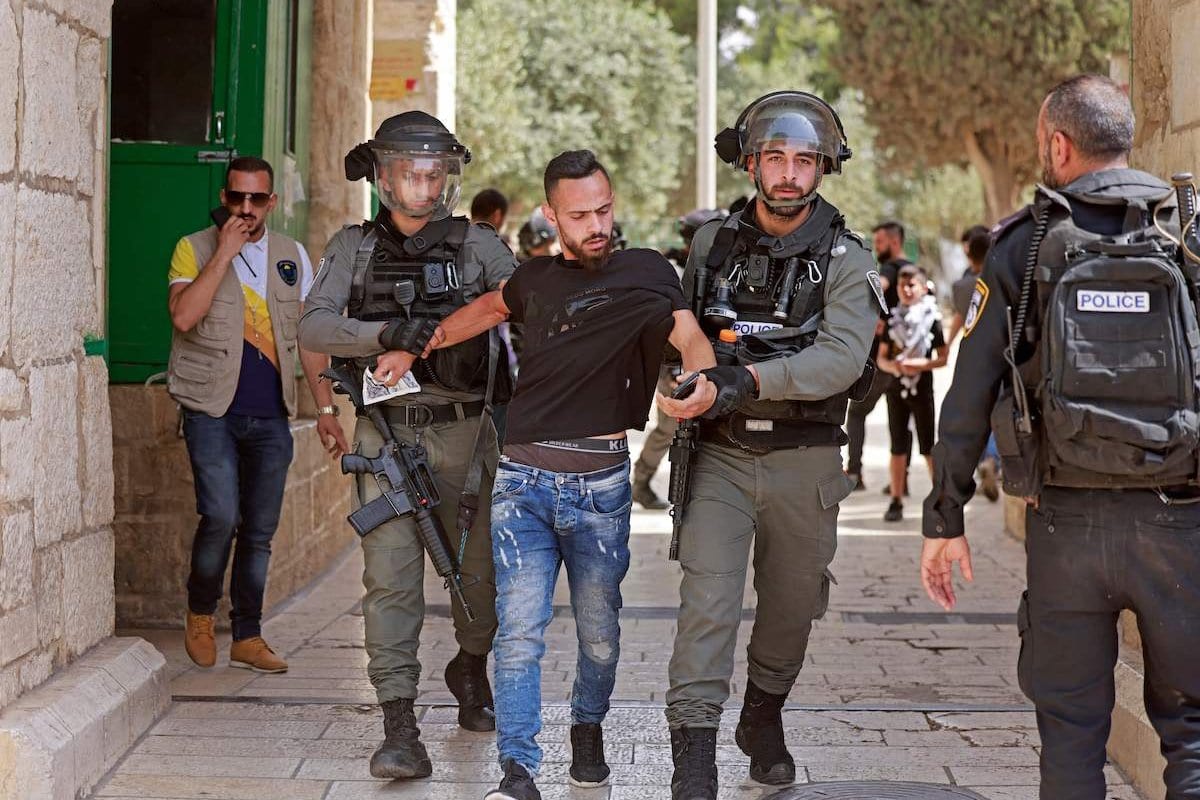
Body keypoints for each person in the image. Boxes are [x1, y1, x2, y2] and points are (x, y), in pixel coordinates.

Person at [378, 149, 716, 800]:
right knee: (521, 632)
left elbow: (688, 334)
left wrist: (700, 375)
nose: (596, 225)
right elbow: (477, 314)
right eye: (580, 214)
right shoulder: (534, 281)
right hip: (523, 484)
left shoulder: (647, 271)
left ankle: (587, 727)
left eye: (604, 210)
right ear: (551, 215)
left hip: (600, 488)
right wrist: (412, 346)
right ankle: (519, 772)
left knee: (599, 641)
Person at [922, 74, 1200, 799]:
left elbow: (969, 389)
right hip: (1180, 520)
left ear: (1058, 143)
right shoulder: (1184, 236)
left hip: (1066, 524)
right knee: (1194, 736)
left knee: (1072, 734)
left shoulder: (1024, 244)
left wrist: (944, 517)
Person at [657, 91, 879, 800]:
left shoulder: (848, 258)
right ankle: (693, 758)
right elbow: (681, 337)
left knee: (789, 608)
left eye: (803, 161)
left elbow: (840, 360)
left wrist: (744, 377)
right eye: (775, 158)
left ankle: (762, 716)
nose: (788, 174)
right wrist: (678, 384)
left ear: (823, 168)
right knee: (708, 606)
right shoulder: (709, 246)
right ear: (751, 162)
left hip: (805, 460)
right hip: (719, 455)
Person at [298, 111, 517, 779]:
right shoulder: (353, 248)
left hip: (467, 435)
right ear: (383, 176)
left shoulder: (479, 246)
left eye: (433, 175)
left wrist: (437, 334)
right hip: (386, 437)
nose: (423, 187)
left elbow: (519, 299)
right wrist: (388, 334)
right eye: (408, 174)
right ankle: (399, 727)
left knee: (477, 576)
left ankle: (470, 664)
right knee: (389, 582)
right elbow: (315, 326)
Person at [168, 156, 349, 675]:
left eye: (256, 199)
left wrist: (327, 409)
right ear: (224, 197)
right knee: (221, 516)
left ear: (271, 201)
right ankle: (201, 613)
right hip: (210, 410)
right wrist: (224, 251)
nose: (245, 209)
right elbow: (183, 316)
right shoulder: (192, 248)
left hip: (270, 417)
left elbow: (311, 341)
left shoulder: (292, 256)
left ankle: (247, 635)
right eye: (235, 198)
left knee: (259, 531)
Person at [635, 208, 729, 510]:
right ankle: (641, 482)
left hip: (708, 361)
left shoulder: (715, 267)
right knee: (670, 426)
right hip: (672, 363)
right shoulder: (673, 270)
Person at [844, 220, 914, 492]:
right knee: (900, 420)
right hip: (907, 362)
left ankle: (855, 472)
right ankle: (902, 480)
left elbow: (877, 286)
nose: (877, 248)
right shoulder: (915, 271)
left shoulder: (889, 269)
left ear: (894, 242)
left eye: (881, 242)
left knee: (857, 412)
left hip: (881, 359)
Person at [877, 264, 948, 522]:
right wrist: (893, 367)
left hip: (922, 388)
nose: (907, 290)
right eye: (902, 286)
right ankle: (896, 499)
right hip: (896, 388)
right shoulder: (892, 319)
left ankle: (940, 498)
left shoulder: (932, 319)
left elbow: (942, 357)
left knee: (928, 444)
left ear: (922, 287)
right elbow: (881, 358)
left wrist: (921, 365)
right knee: (897, 446)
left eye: (911, 285)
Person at [947, 225, 1001, 502]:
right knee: (997, 412)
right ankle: (993, 458)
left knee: (976, 413)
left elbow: (959, 319)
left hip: (972, 358)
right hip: (1002, 355)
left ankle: (982, 461)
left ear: (969, 254)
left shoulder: (961, 287)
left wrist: (945, 346)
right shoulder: (1003, 279)